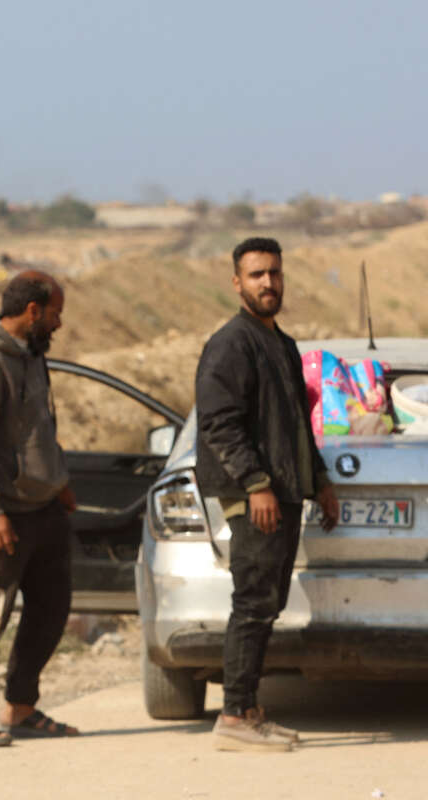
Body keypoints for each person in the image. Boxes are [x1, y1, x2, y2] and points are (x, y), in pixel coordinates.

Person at [195, 236, 339, 752]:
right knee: (254, 600)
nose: (268, 283)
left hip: (284, 491)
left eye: (274, 273)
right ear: (237, 283)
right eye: (256, 274)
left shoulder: (280, 343)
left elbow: (297, 424)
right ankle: (235, 716)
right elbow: (219, 423)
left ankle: (249, 708)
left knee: (267, 600)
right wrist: (256, 484)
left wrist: (320, 482)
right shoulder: (231, 344)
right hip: (254, 494)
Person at [0, 270, 79, 747]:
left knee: (50, 610)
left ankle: (21, 708)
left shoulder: (32, 356)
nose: (58, 324)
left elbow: (39, 430)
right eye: (55, 314)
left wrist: (58, 481)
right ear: (33, 311)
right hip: (4, 513)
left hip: (44, 509)